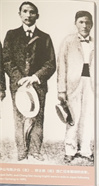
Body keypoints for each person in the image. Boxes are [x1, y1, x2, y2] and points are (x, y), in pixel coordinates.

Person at [2, 1, 55, 161]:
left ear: (37, 16)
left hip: (37, 85)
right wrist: (19, 78)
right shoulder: (11, 35)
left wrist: (35, 77)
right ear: (19, 14)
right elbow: (6, 60)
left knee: (37, 118)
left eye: (32, 12)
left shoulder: (45, 37)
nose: (28, 15)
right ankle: (22, 151)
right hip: (18, 85)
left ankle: (35, 151)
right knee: (19, 119)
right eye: (25, 11)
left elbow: (50, 63)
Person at [56, 10, 94, 164]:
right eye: (81, 22)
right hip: (73, 84)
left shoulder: (96, 42)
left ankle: (85, 150)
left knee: (88, 116)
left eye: (87, 22)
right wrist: (61, 90)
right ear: (75, 23)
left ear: (92, 24)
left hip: (91, 83)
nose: (84, 25)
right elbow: (61, 66)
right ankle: (70, 150)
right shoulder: (68, 41)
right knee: (72, 117)